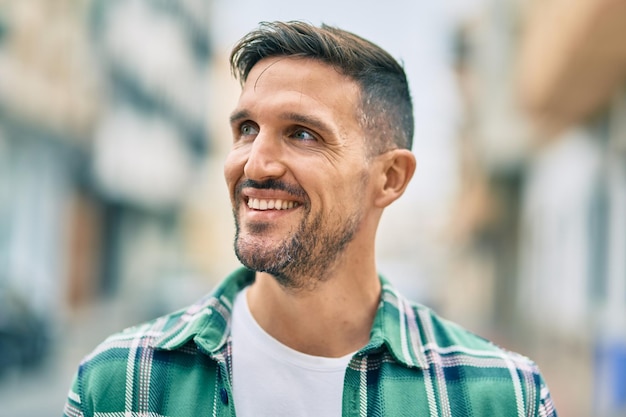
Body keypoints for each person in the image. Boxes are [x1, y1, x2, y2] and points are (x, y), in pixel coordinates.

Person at [63, 21, 557, 417]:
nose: (254, 164)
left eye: (302, 134)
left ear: (389, 179)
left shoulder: (502, 397)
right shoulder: (120, 383)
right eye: (247, 128)